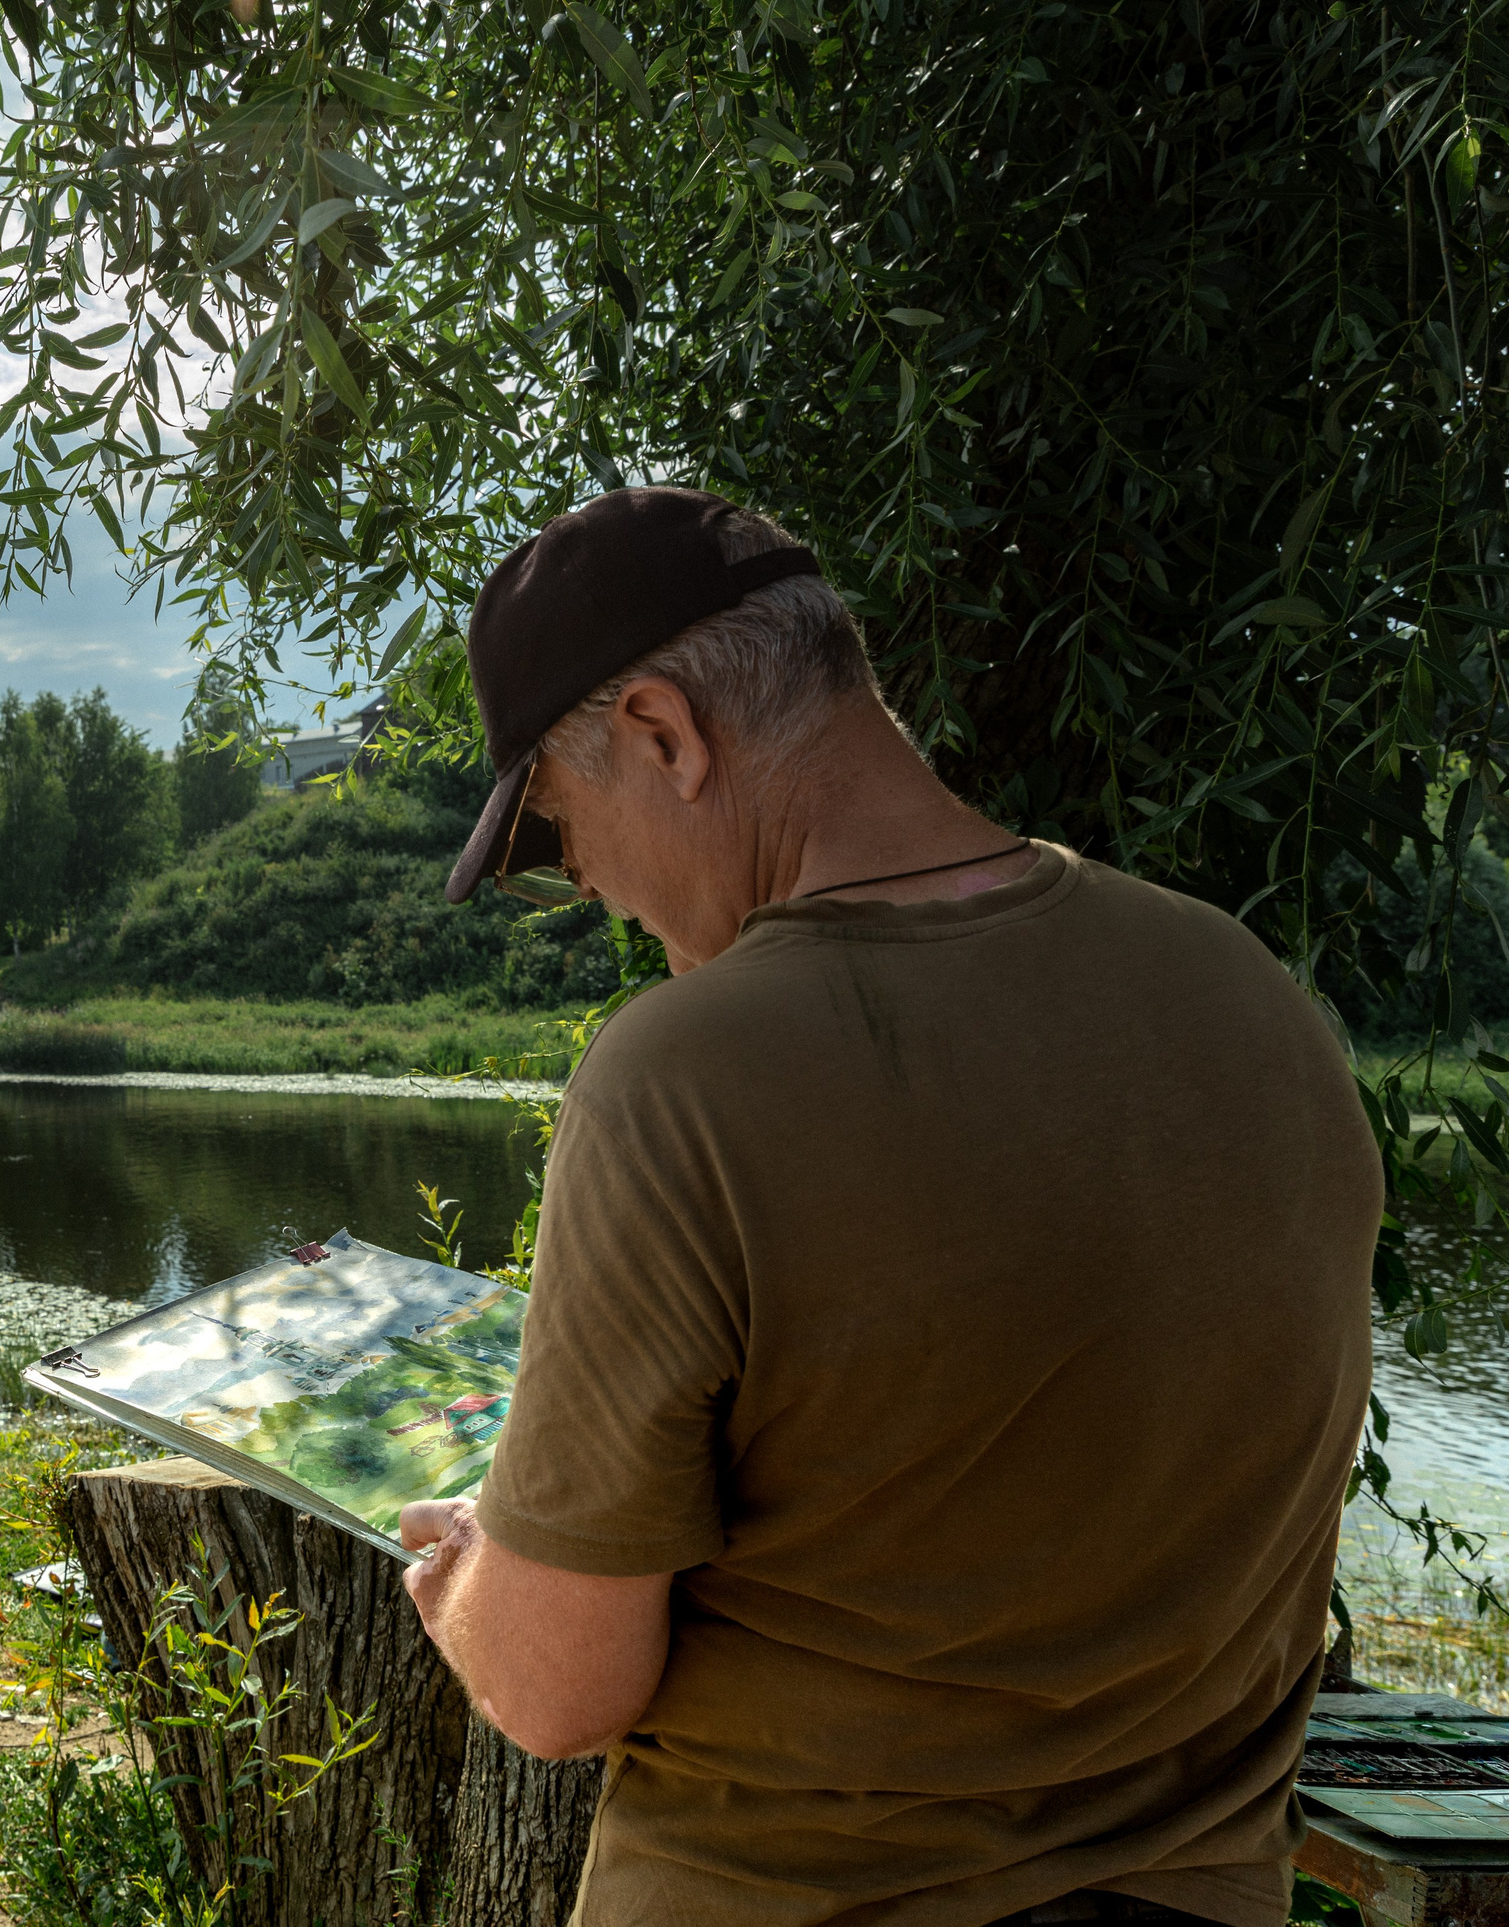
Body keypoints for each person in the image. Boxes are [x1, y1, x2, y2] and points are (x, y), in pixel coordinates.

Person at [399, 487, 1379, 1927]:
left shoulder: (684, 1077)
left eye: (554, 828)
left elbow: (558, 1691)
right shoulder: (1251, 998)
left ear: (666, 736)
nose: (591, 888)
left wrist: (474, 1579)